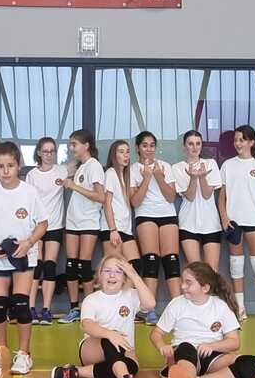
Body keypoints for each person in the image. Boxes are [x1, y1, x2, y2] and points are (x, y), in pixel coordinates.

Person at [149, 261, 255, 378]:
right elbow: (156, 333)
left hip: (212, 358)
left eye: (188, 283)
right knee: (186, 347)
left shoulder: (220, 306)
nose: (182, 286)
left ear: (205, 288)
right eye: (183, 281)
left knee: (253, 363)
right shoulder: (177, 304)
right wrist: (162, 346)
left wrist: (212, 346)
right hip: (184, 354)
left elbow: (234, 342)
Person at [0, 141, 48, 374]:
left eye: (10, 165)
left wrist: (28, 243)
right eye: (0, 166)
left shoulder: (29, 192)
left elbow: (43, 224)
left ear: (18, 166)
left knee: (20, 304)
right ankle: (2, 353)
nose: (6, 171)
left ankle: (25, 354)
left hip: (23, 256)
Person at [50, 255, 155, 378]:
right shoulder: (92, 299)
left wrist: (134, 275)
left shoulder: (131, 295)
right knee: (111, 339)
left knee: (132, 367)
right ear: (100, 275)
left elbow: (150, 304)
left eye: (118, 271)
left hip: (122, 352)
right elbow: (86, 324)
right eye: (107, 271)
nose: (112, 275)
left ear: (125, 277)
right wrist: (110, 334)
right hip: (93, 351)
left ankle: (76, 372)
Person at [218, 124, 255, 321]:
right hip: (233, 222)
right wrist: (224, 217)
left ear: (251, 142)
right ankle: (240, 308)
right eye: (235, 140)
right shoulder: (227, 165)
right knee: (236, 264)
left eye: (241, 140)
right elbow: (222, 195)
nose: (238, 143)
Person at [130, 131, 181, 305]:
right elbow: (135, 201)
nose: (149, 149)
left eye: (152, 145)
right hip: (145, 215)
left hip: (167, 214)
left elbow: (171, 197)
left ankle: (177, 308)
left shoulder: (165, 166)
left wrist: (159, 177)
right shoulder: (133, 169)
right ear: (138, 148)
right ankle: (148, 308)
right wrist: (146, 178)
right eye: (145, 145)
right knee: (151, 261)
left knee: (171, 261)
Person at [60, 129, 106, 324]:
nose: (71, 148)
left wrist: (74, 186)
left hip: (88, 221)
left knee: (84, 266)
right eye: (70, 144)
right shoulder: (81, 166)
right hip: (73, 221)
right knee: (71, 266)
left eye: (74, 144)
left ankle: (88, 310)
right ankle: (74, 308)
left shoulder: (94, 165)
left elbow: (100, 196)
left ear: (86, 145)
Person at [25, 136, 66, 325]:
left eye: (52, 151)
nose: (49, 154)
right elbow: (28, 201)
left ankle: (46, 310)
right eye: (45, 151)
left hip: (55, 225)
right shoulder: (32, 175)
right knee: (36, 266)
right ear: (39, 153)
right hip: (36, 226)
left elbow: (81, 164)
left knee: (50, 266)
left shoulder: (62, 171)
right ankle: (31, 308)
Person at [173, 130, 223, 272]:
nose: (195, 148)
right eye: (190, 144)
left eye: (198, 144)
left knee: (212, 271)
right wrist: (193, 178)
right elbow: (190, 196)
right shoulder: (177, 168)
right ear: (184, 146)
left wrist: (201, 177)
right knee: (196, 271)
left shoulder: (211, 163)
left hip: (211, 223)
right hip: (188, 223)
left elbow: (207, 195)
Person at [99, 141, 142, 303]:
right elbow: (107, 203)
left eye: (127, 152)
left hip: (125, 229)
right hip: (113, 228)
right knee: (113, 270)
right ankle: (110, 305)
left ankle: (124, 302)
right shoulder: (111, 173)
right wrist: (112, 229)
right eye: (121, 152)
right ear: (114, 155)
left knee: (134, 265)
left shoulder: (125, 176)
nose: (126, 155)